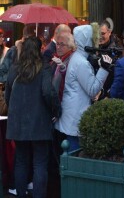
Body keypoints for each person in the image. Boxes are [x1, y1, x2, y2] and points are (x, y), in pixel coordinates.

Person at [5, 36, 61, 198]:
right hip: (39, 122)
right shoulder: (43, 68)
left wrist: (16, 111)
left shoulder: (15, 68)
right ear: (39, 50)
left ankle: (21, 194)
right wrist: (56, 110)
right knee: (40, 163)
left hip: (18, 122)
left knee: (21, 161)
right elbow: (48, 93)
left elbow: (8, 95)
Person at [55, 24, 112, 151]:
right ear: (87, 40)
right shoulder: (81, 62)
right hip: (75, 118)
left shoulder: (77, 57)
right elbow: (92, 90)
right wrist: (104, 69)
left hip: (71, 116)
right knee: (73, 158)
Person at [48, 31, 76, 198]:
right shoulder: (58, 60)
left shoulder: (71, 59)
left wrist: (63, 68)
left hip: (65, 115)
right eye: (57, 43)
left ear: (70, 46)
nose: (58, 47)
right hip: (58, 115)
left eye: (62, 44)